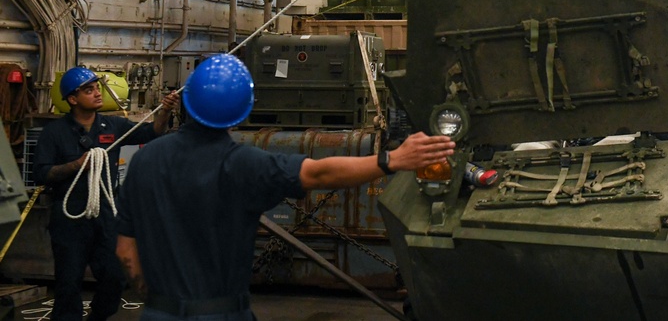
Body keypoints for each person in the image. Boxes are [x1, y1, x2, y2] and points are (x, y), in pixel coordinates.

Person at [115, 54, 454, 320]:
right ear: (240, 114)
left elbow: (126, 254)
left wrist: (158, 298)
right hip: (220, 313)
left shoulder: (143, 161)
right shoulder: (244, 164)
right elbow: (319, 174)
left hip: (159, 312)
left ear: (186, 102)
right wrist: (391, 160)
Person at [34, 67, 179, 321]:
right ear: (72, 99)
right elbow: (42, 173)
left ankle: (98, 316)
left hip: (107, 215)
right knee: (68, 283)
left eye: (97, 87)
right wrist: (76, 165)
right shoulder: (54, 133)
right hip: (70, 218)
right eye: (88, 90)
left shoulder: (113, 125)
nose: (97, 93)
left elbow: (152, 132)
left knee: (115, 276)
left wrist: (165, 110)